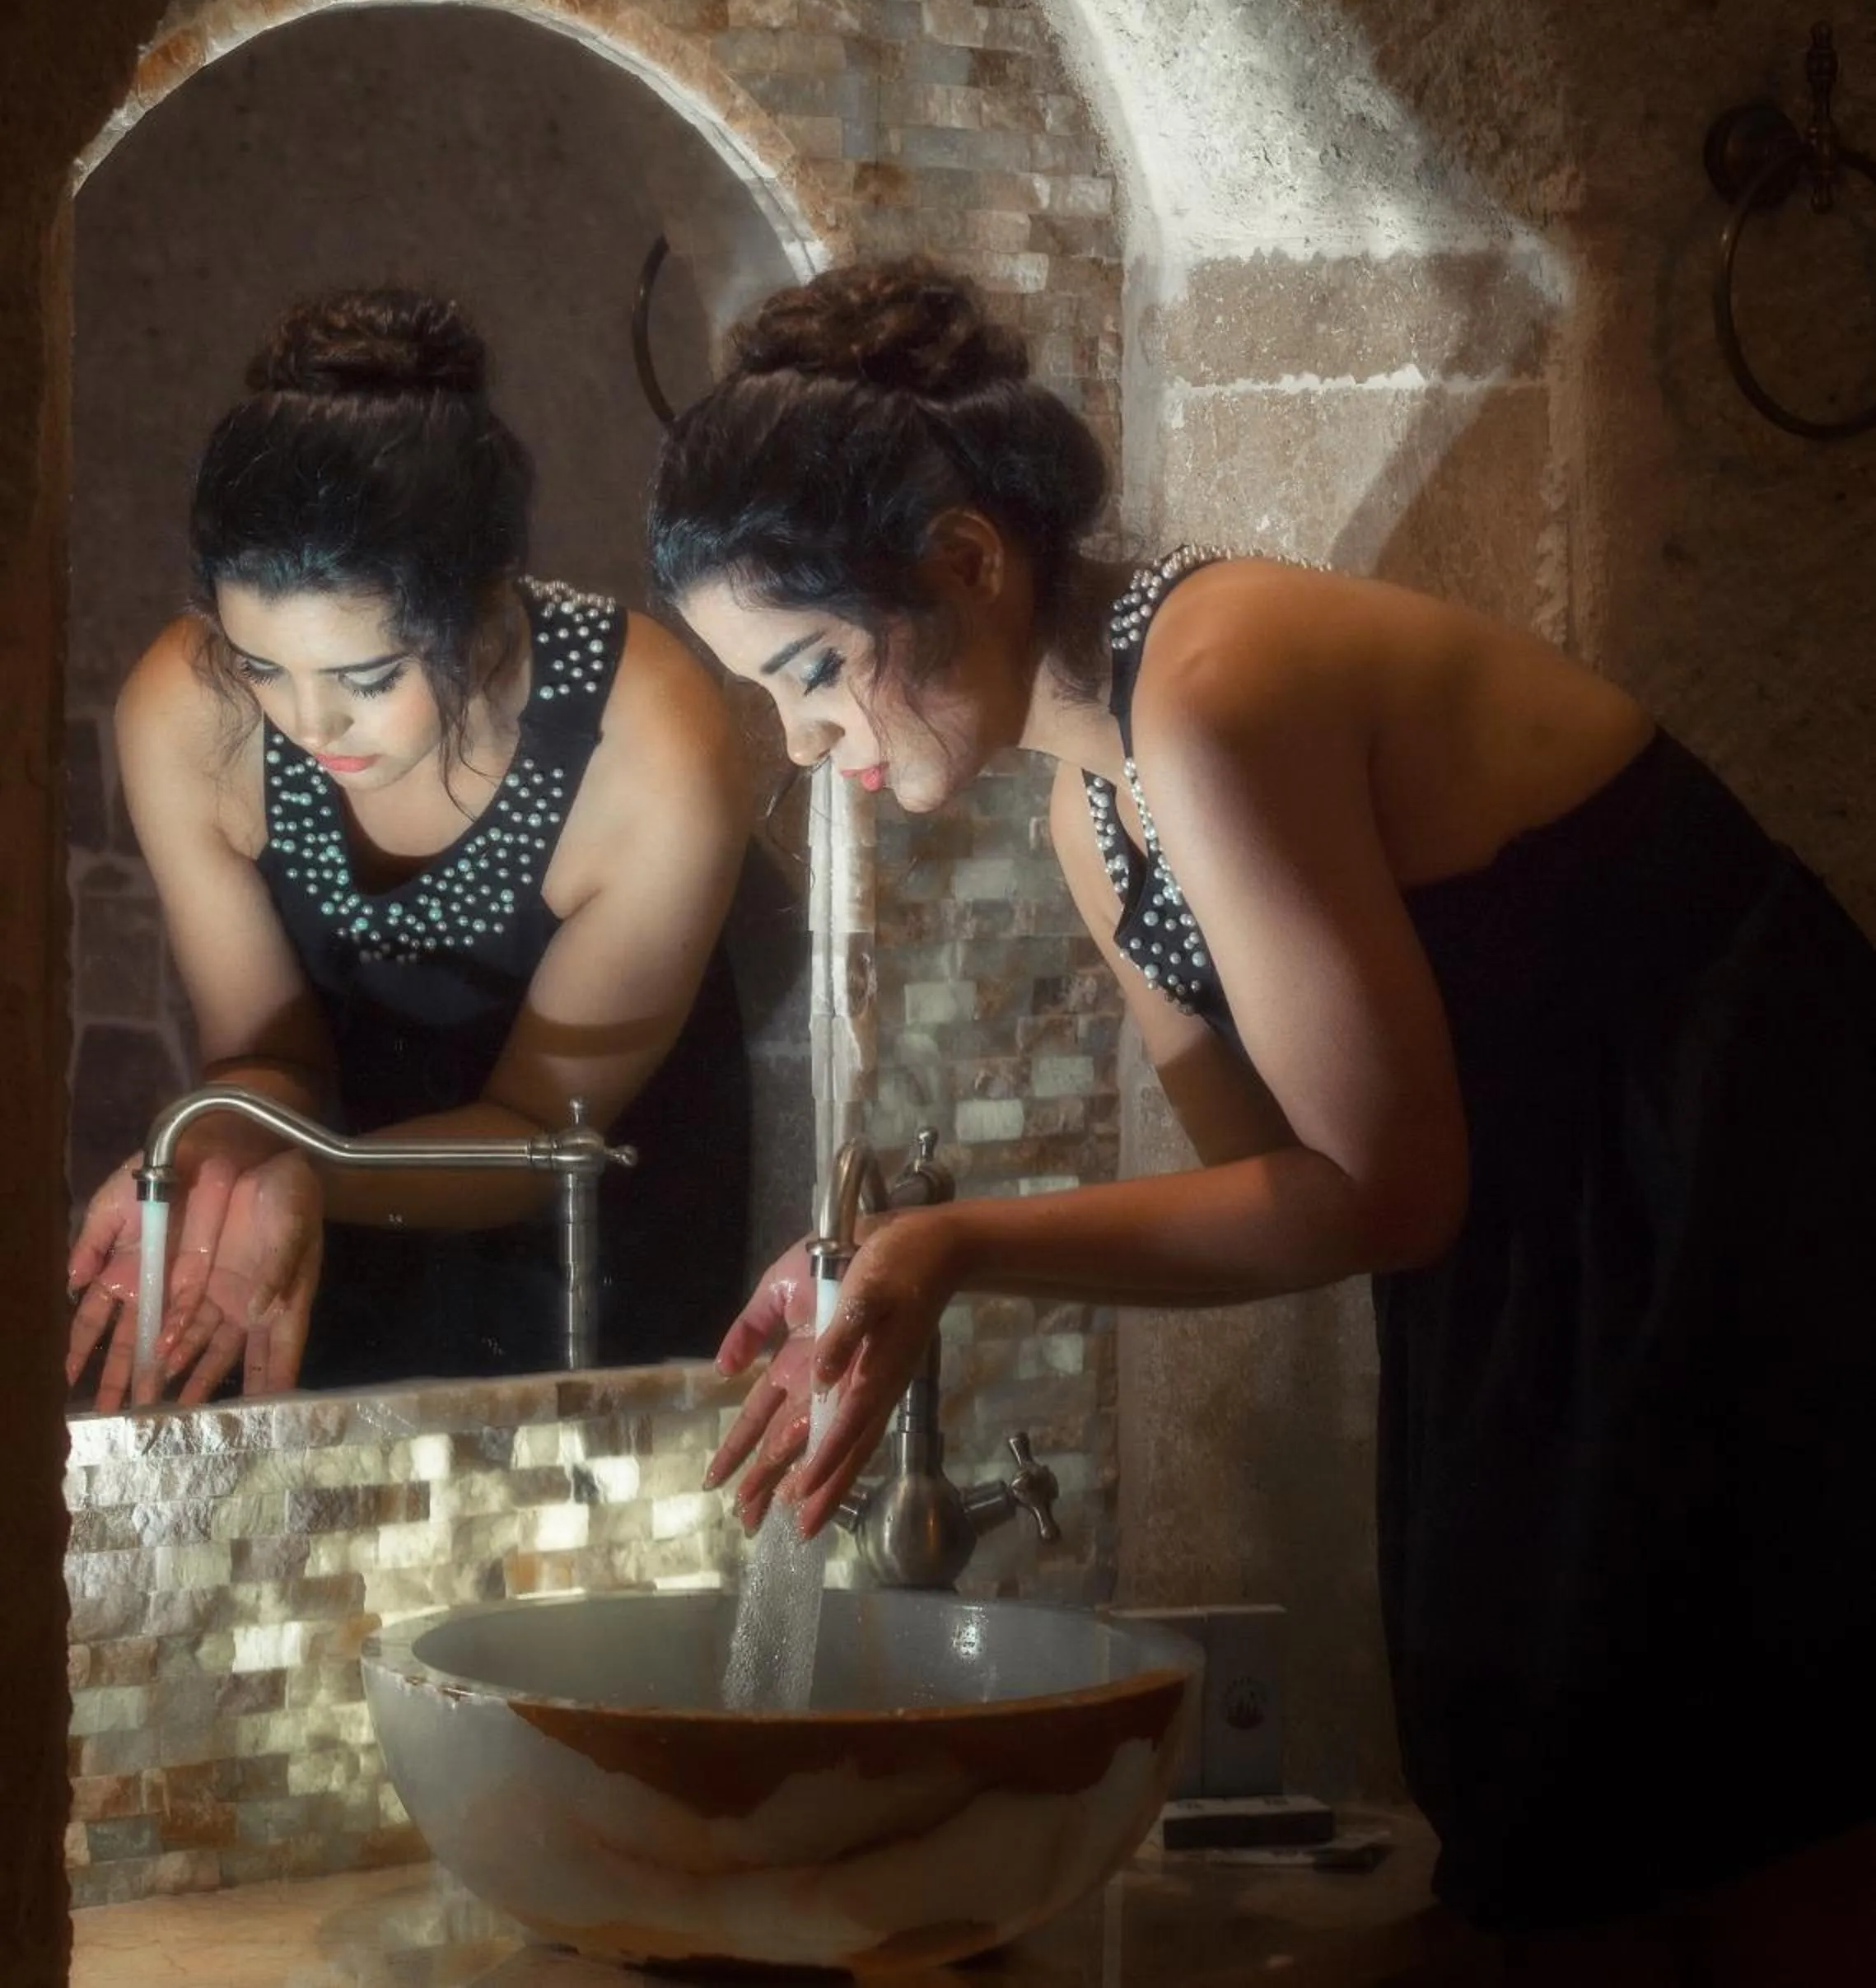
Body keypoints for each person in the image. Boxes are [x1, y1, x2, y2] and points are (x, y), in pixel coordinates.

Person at [646, 256, 1876, 1982]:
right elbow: (1277, 1196)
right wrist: (901, 1264)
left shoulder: (1216, 688)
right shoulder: (1098, 812)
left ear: (965, 564)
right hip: (1536, 1245)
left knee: (1766, 1820)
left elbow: (1378, 1192)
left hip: (1748, 1184)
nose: (799, 737)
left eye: (814, 667)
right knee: (1541, 1807)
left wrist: (961, 1244)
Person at [67, 289, 753, 1407]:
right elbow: (266, 1056)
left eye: (368, 679)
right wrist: (208, 1160)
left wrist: (310, 1174)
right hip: (313, 1195)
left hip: (586, 1216)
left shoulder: (651, 743)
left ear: (483, 609)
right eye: (259, 664)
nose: (307, 724)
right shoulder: (187, 708)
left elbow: (540, 1127)